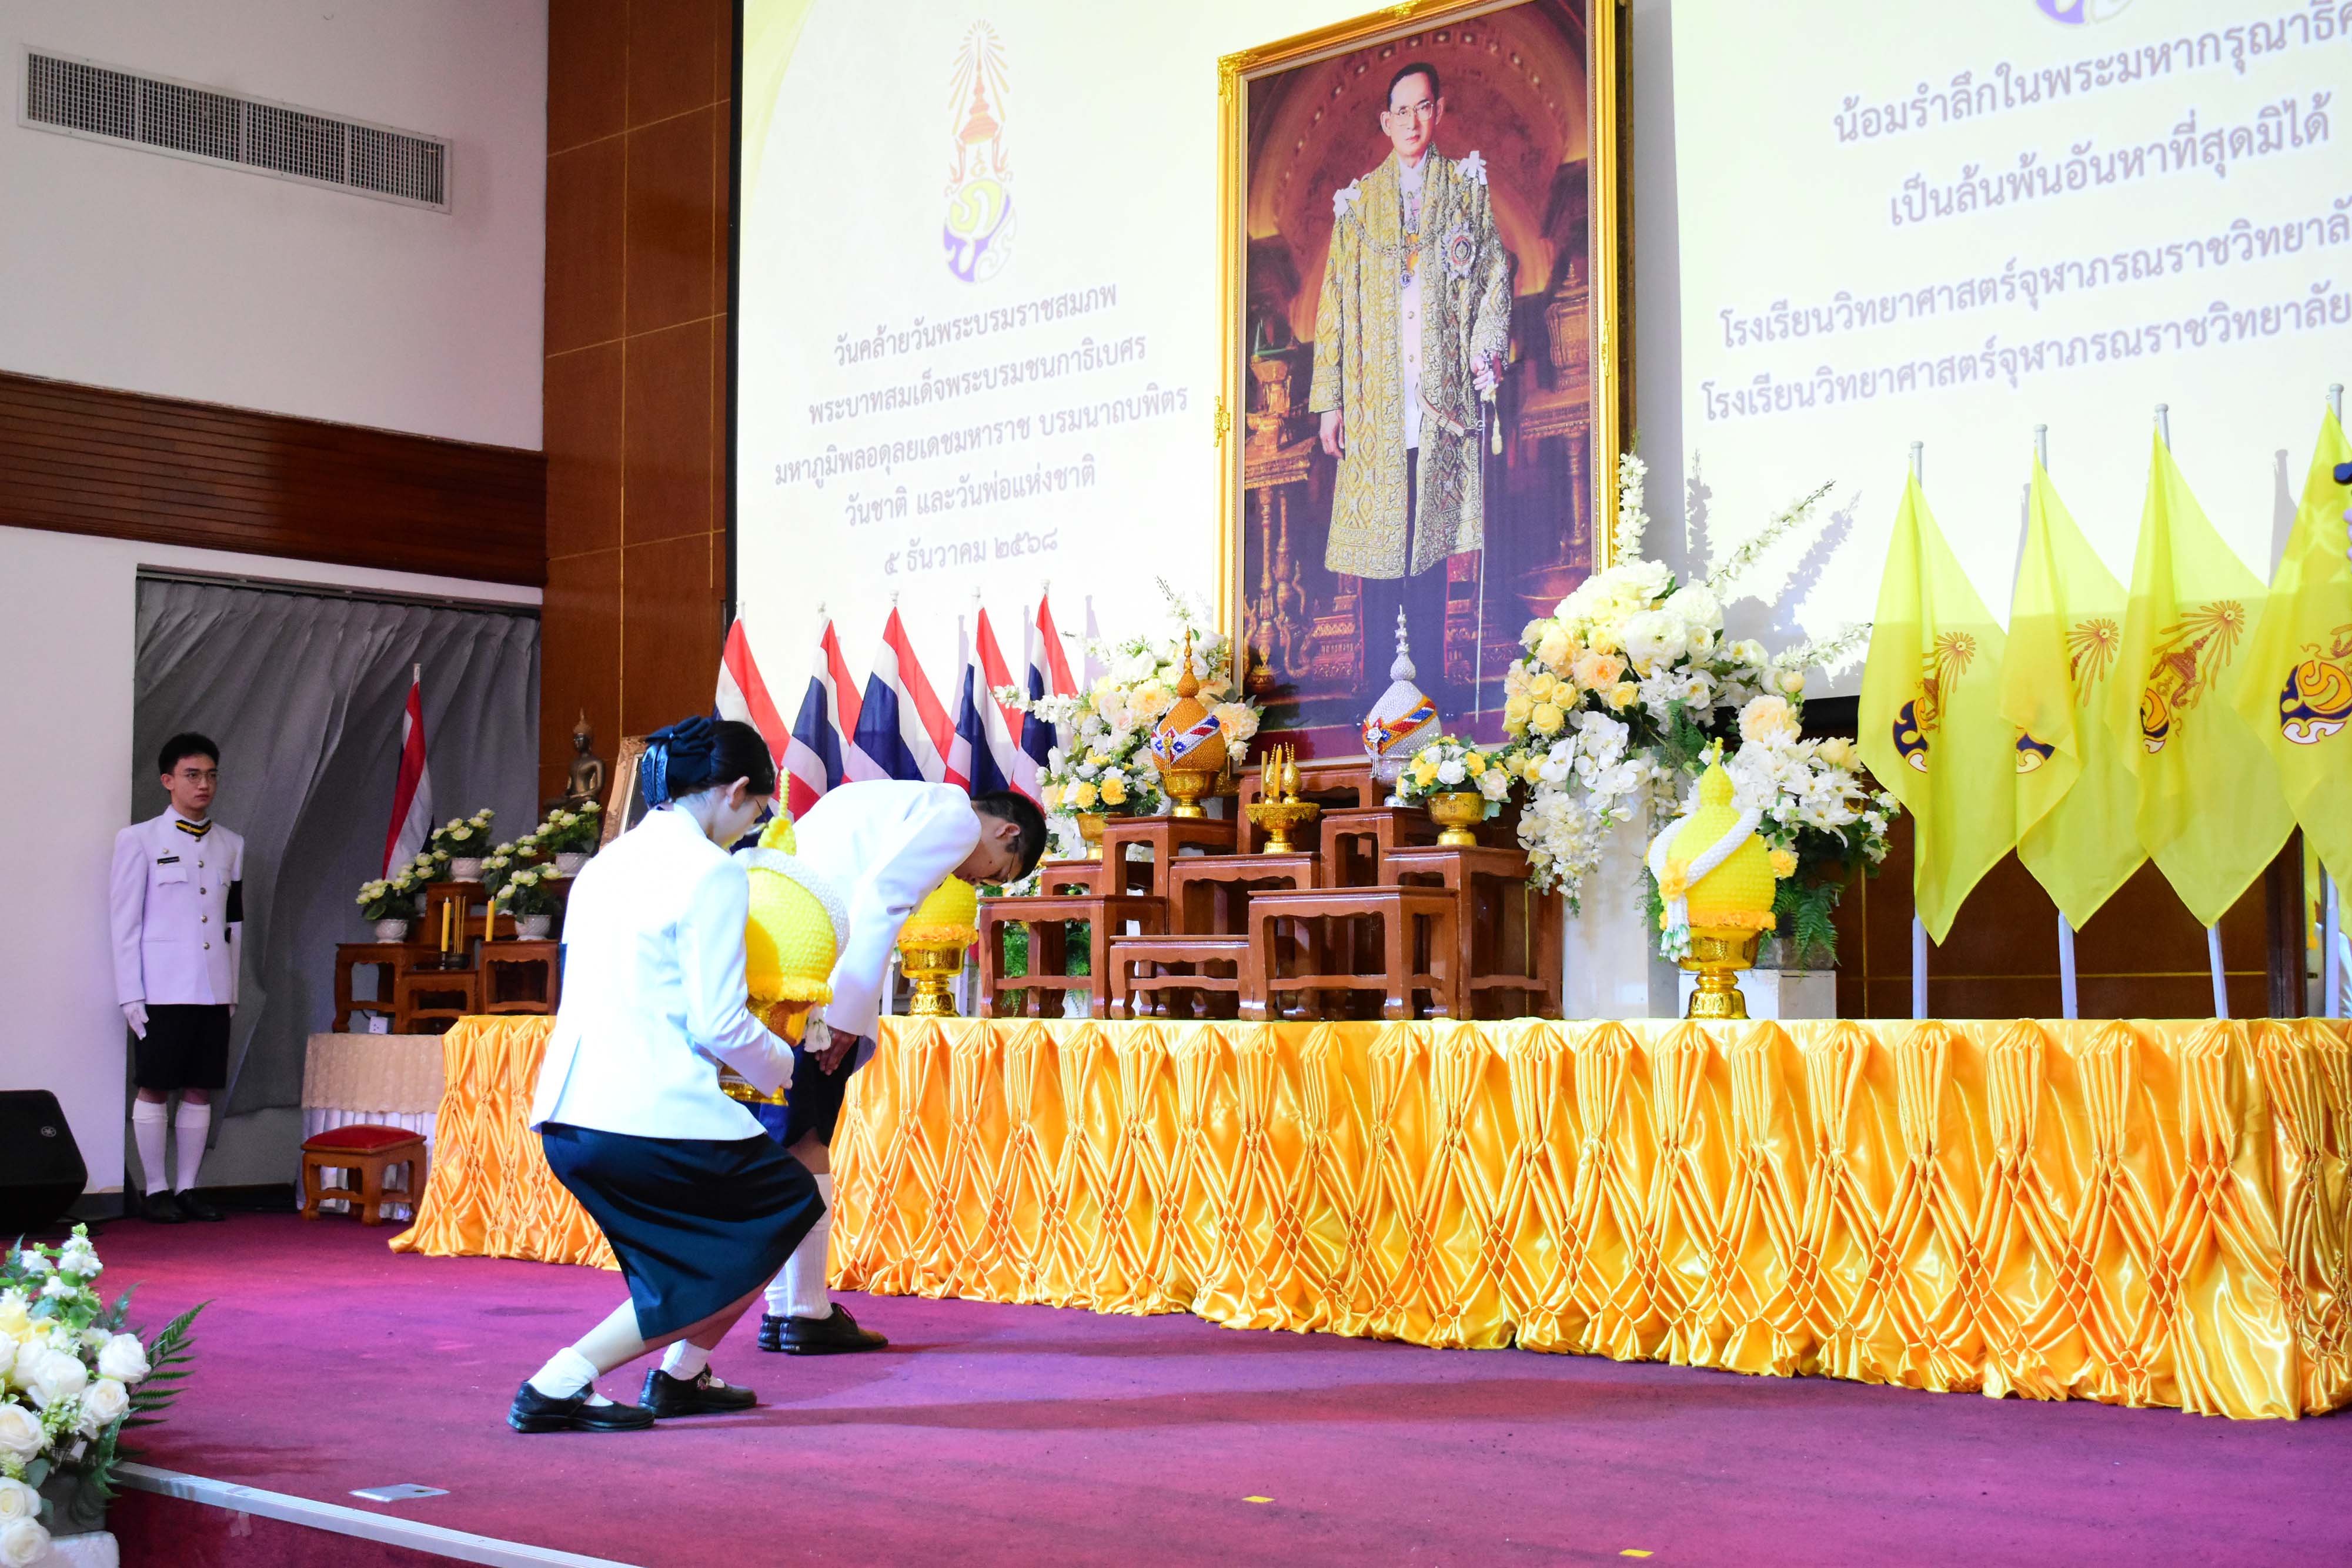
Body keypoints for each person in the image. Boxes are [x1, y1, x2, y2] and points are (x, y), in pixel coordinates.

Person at [511, 717, 826, 1434]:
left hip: (571, 1113)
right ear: (737, 791)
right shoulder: (712, 871)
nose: (749, 828)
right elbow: (718, 1022)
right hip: (646, 1113)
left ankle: (683, 1376)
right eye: (757, 811)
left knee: (747, 1229)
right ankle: (560, 1381)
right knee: (781, 1209)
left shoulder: (605, 863)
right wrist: (787, 1062)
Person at [754, 781, 1045, 1355]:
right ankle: (804, 1312)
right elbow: (883, 899)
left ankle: (783, 1307)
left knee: (782, 1137)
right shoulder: (957, 818)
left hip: (772, 966)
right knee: (808, 1136)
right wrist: (846, 1014)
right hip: (818, 981)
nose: (975, 881)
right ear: (1006, 830)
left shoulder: (875, 798)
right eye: (996, 872)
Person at [1309, 60, 1511, 717]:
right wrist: (1330, 402)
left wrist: (1485, 352)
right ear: (1385, 121)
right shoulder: (1357, 205)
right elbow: (1333, 305)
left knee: (1428, 547)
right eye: (1402, 110)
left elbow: (1493, 276)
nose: (1413, 121)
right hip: (1377, 404)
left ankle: (1428, 687)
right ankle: (1379, 689)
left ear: (1439, 110)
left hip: (1440, 400)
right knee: (1381, 552)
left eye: (1424, 107)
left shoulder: (1466, 188)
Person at [110, 733, 243, 1223]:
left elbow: (234, 923)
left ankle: (188, 1186)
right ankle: (156, 1188)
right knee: (155, 1085)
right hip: (162, 988)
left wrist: (230, 989)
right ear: (168, 780)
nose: (203, 784)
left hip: (212, 988)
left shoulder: (232, 844)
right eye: (192, 775)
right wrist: (131, 993)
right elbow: (125, 922)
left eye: (210, 775)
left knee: (200, 1087)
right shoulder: (139, 840)